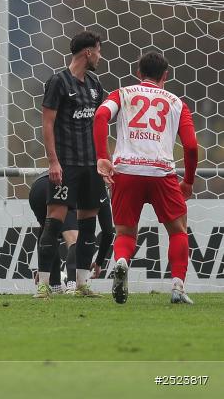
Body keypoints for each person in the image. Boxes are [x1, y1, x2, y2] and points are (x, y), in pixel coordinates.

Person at [93, 51, 198, 305]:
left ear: (138, 73)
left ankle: (120, 262)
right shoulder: (176, 102)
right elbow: (192, 146)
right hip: (162, 172)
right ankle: (178, 287)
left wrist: (102, 157)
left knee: (126, 233)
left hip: (126, 171)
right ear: (165, 75)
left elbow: (100, 116)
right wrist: (189, 181)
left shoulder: (122, 94)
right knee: (178, 231)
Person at [35, 31, 107, 299]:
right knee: (53, 222)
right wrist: (53, 161)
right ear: (88, 52)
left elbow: (101, 122)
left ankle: (81, 284)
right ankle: (43, 285)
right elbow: (47, 123)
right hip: (66, 165)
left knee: (88, 224)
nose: (100, 56)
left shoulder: (94, 85)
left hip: (91, 166)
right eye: (98, 51)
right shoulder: (58, 82)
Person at [29, 173, 113, 293]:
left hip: (37, 188)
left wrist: (43, 267)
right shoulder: (99, 189)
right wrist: (99, 262)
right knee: (74, 240)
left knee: (49, 232)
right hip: (61, 186)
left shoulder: (92, 180)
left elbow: (45, 236)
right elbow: (108, 232)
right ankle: (72, 284)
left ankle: (54, 286)